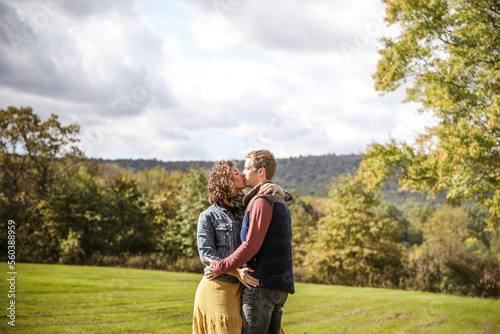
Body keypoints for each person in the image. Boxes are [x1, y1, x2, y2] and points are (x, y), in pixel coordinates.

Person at [193, 159, 293, 334]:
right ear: (225, 180)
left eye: (243, 170)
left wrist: (278, 189)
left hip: (245, 286)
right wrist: (236, 272)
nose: (242, 174)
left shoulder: (248, 206)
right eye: (236, 172)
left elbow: (287, 198)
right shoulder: (208, 216)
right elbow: (207, 256)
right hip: (220, 286)